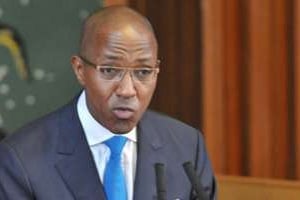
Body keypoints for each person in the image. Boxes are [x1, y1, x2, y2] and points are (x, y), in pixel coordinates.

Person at [0, 6, 216, 200]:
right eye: (110, 70)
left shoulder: (187, 147)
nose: (127, 90)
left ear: (157, 71)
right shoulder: (21, 159)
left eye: (143, 72)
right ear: (80, 70)